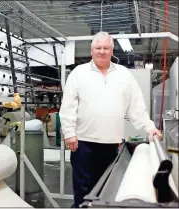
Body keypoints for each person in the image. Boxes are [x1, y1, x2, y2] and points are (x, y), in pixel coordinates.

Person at [59, 31, 162, 208]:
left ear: (112, 51)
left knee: (105, 189)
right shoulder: (79, 73)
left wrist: (149, 128)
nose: (102, 51)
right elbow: (68, 106)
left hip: (111, 143)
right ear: (91, 50)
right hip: (83, 143)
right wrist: (69, 133)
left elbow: (136, 107)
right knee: (83, 190)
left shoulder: (124, 75)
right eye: (98, 48)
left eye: (106, 48)